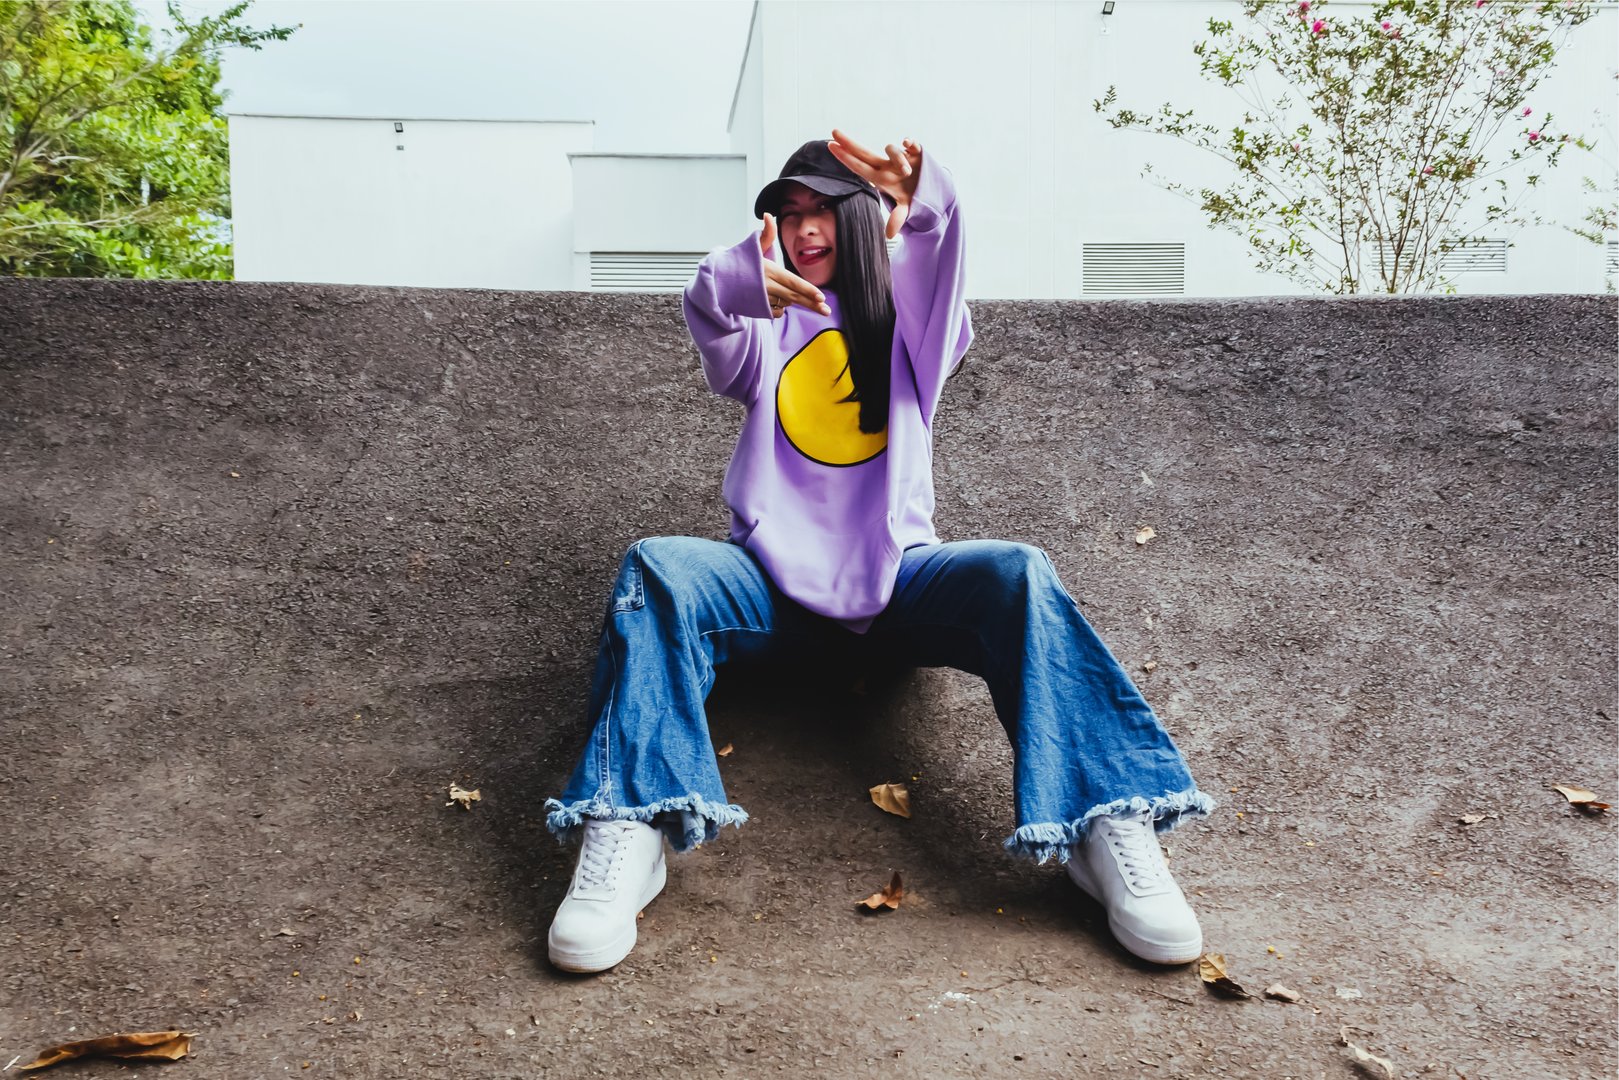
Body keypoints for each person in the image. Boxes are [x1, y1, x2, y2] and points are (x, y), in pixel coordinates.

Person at [542, 129, 1214, 974]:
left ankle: (1105, 822)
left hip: (898, 589)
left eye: (820, 208)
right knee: (658, 565)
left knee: (1017, 571)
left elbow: (942, 266)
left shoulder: (911, 335)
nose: (800, 226)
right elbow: (709, 308)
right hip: (763, 594)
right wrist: (735, 280)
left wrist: (932, 201)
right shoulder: (767, 332)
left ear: (862, 219)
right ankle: (630, 822)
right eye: (786, 213)